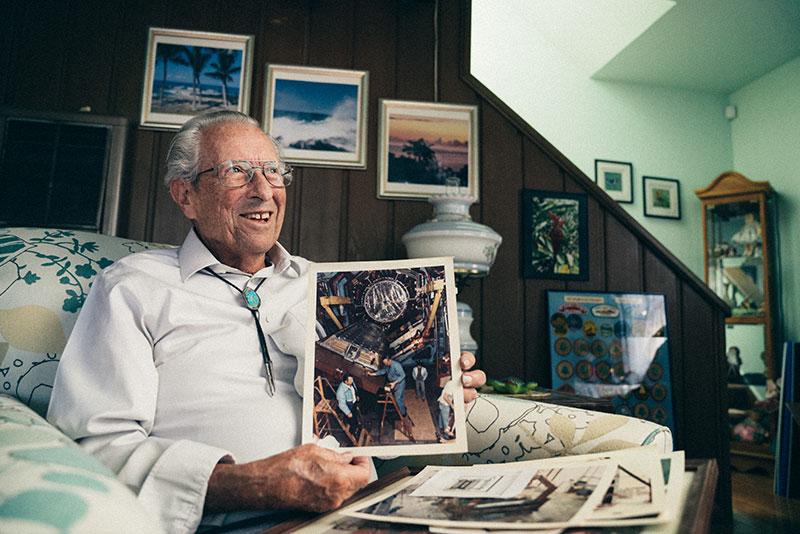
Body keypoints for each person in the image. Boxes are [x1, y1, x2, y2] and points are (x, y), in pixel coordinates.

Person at [46, 110, 485, 533]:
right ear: (186, 195)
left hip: (366, 510)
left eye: (273, 172)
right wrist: (253, 484)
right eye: (236, 171)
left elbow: (368, 414)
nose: (263, 190)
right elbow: (95, 451)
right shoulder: (132, 288)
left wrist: (437, 390)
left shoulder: (327, 284)